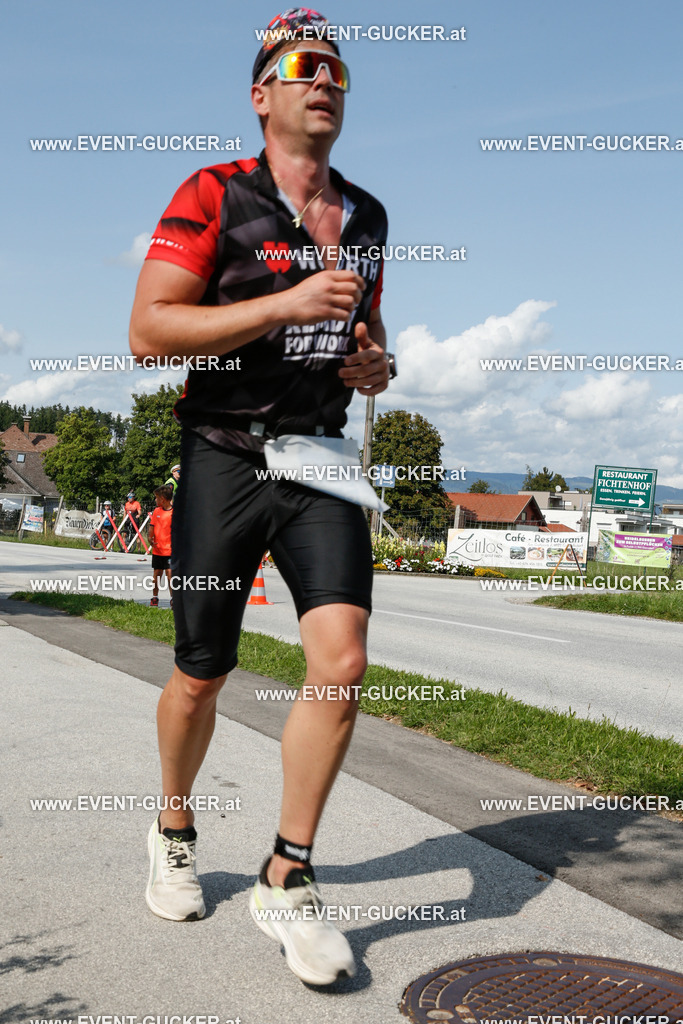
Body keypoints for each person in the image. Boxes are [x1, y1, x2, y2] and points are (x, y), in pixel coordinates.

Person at [129, 7, 394, 987]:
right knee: (202, 669)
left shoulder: (365, 216)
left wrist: (373, 366)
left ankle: (288, 872)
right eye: (302, 69)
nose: (322, 82)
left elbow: (367, 335)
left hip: (319, 459)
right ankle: (173, 822)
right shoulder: (211, 192)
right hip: (224, 453)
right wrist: (283, 302)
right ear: (262, 96)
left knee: (344, 656)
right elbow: (150, 330)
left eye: (336, 73)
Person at [148, 485, 173, 608]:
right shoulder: (157, 511)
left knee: (170, 574)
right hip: (158, 550)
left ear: (163, 499)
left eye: (156, 498)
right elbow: (152, 527)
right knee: (157, 574)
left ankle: (173, 598)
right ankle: (154, 597)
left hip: (170, 551)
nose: (155, 500)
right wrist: (149, 538)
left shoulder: (175, 513)